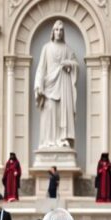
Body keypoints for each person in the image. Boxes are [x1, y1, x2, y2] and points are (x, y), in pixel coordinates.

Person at [34, 20, 78, 148]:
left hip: (63, 87)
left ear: (63, 33)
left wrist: (69, 64)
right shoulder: (46, 48)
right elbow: (41, 68)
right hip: (49, 86)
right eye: (56, 30)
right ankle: (48, 141)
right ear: (53, 32)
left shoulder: (67, 49)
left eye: (61, 30)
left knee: (61, 114)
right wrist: (38, 85)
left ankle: (61, 139)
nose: (59, 32)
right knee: (49, 113)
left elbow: (75, 64)